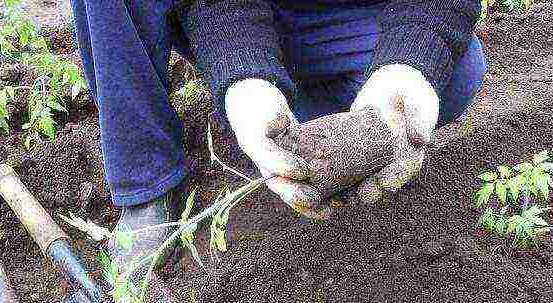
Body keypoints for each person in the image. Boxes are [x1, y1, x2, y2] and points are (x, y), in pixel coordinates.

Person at [69, 0, 486, 266]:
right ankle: (148, 179)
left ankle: (319, 92)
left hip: (357, 14)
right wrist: (244, 79)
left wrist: (410, 67)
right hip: (239, 12)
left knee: (449, 76)